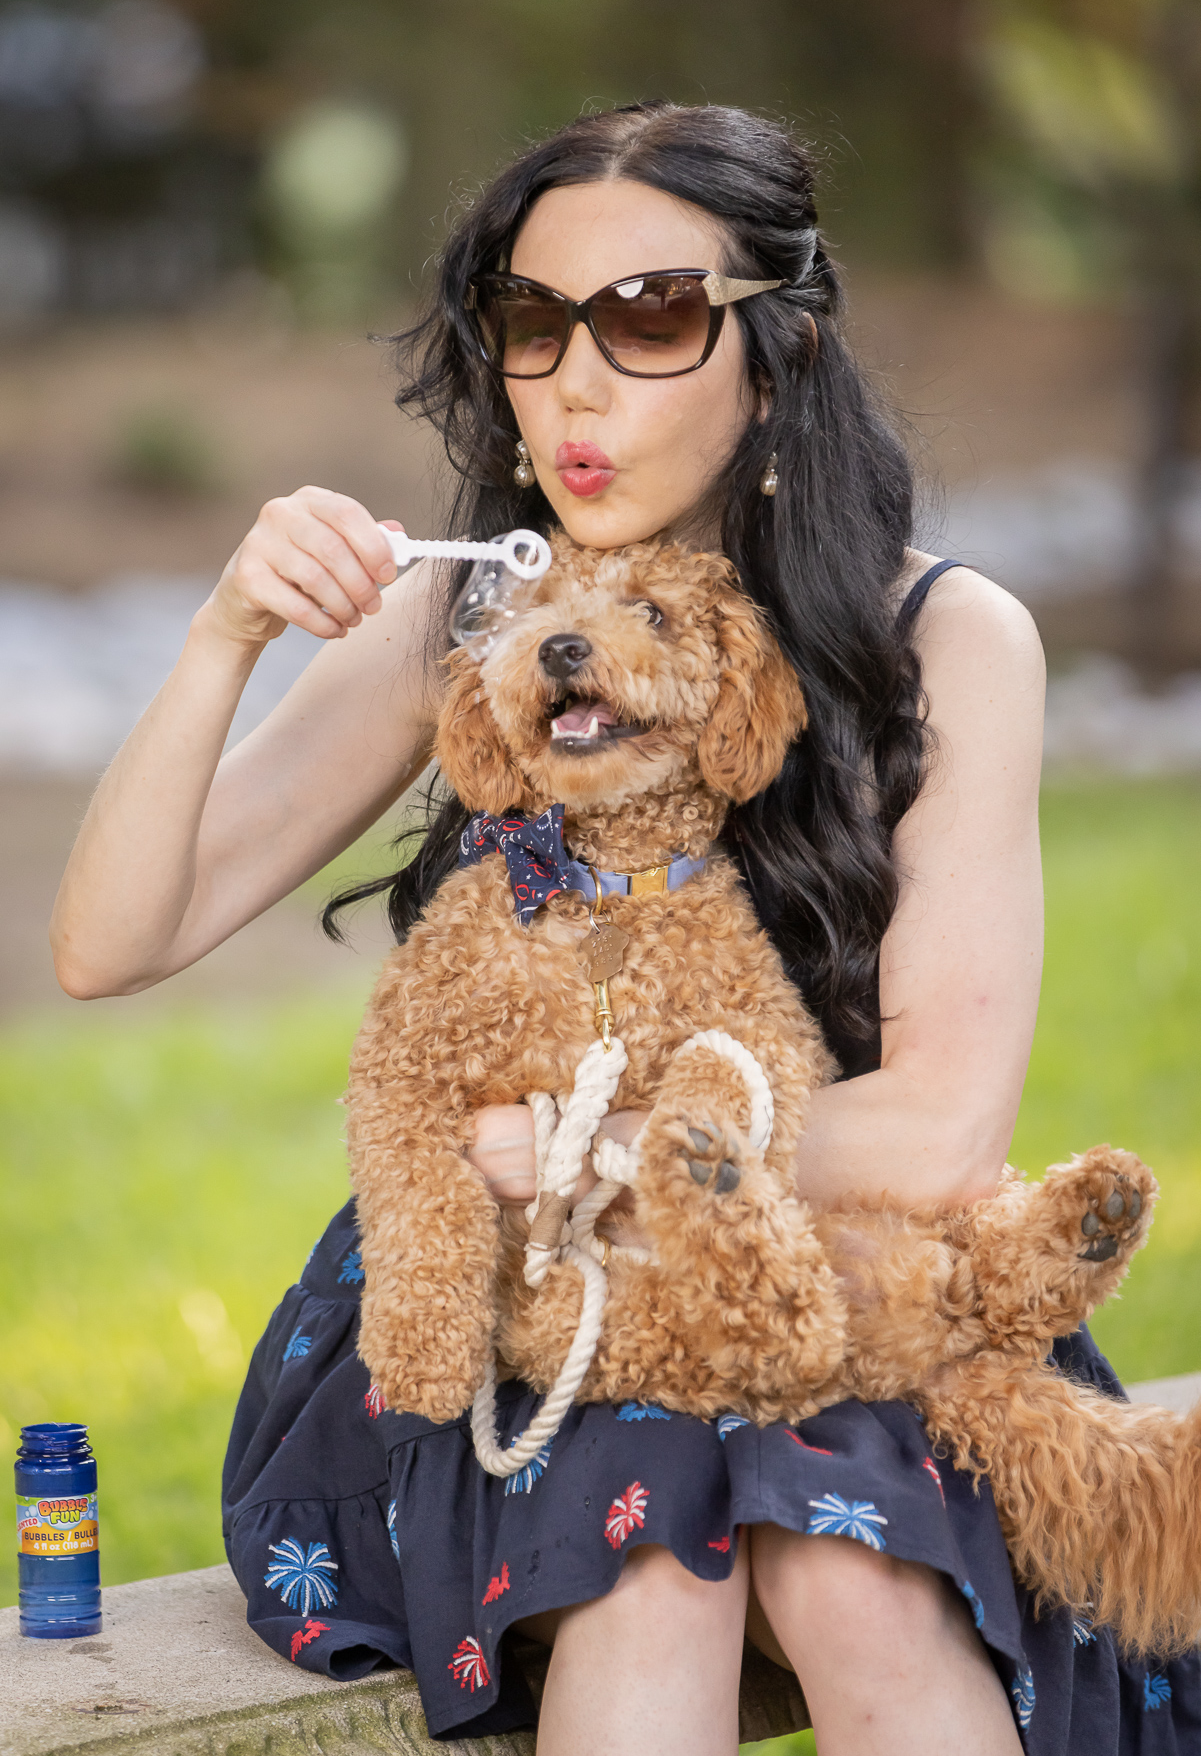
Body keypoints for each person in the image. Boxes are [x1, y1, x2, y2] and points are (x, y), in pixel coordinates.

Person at [51, 103, 1200, 1756]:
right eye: (530, 325)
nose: (573, 384)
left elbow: (946, 1126)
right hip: (514, 1299)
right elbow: (109, 941)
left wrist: (597, 1150)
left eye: (649, 317)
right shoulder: (464, 619)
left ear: (775, 348)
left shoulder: (943, 638)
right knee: (651, 1563)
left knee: (848, 1577)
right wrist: (227, 631)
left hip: (831, 1267)